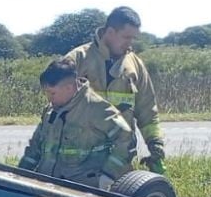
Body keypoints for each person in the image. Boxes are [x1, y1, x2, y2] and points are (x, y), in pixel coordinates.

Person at [65, 6, 166, 173]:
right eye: (126, 37)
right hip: (78, 162)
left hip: (120, 161)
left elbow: (147, 109)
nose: (130, 43)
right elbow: (55, 109)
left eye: (133, 38)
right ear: (110, 32)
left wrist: (155, 144)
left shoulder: (135, 65)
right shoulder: (77, 60)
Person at [18, 59, 134, 188]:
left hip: (82, 191)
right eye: (46, 93)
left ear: (69, 88)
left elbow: (127, 140)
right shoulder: (50, 111)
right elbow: (35, 148)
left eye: (52, 93)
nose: (49, 98)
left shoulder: (96, 108)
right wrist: (21, 174)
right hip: (47, 187)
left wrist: (108, 176)